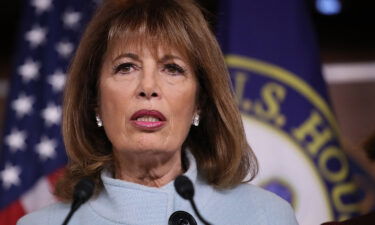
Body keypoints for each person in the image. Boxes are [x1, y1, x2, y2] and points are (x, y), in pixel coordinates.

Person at [18, 0, 298, 224]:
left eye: (172, 68)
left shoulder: (265, 216)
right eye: (126, 67)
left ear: (199, 102)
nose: (148, 87)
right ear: (94, 102)